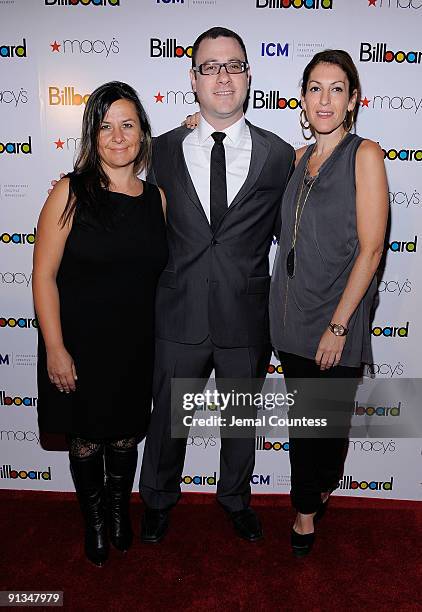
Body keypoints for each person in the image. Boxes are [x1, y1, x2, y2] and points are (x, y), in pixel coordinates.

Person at [138, 27, 295, 543]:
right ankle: (157, 501)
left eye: (232, 65)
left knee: (240, 423)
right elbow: (119, 196)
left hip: (244, 317)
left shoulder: (280, 154)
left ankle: (235, 500)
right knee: (167, 423)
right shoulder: (158, 151)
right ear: (193, 79)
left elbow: (293, 231)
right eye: (210, 66)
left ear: (248, 75)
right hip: (177, 312)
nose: (222, 76)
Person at [33, 81, 168, 566]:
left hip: (133, 347)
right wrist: (55, 347)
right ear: (92, 136)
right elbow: (43, 276)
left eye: (127, 125)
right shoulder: (71, 192)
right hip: (79, 345)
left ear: (142, 134)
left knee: (127, 435)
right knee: (87, 439)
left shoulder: (157, 200)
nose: (117, 136)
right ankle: (93, 519)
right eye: (105, 126)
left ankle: (117, 512)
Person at [269, 50, 389, 556]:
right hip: (291, 316)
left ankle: (314, 494)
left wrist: (338, 327)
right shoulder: (297, 158)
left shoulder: (365, 154)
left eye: (336, 88)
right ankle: (304, 513)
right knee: (305, 425)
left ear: (353, 100)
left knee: (328, 431)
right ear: (302, 99)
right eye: (315, 88)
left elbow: (372, 247)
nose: (325, 98)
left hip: (337, 316)